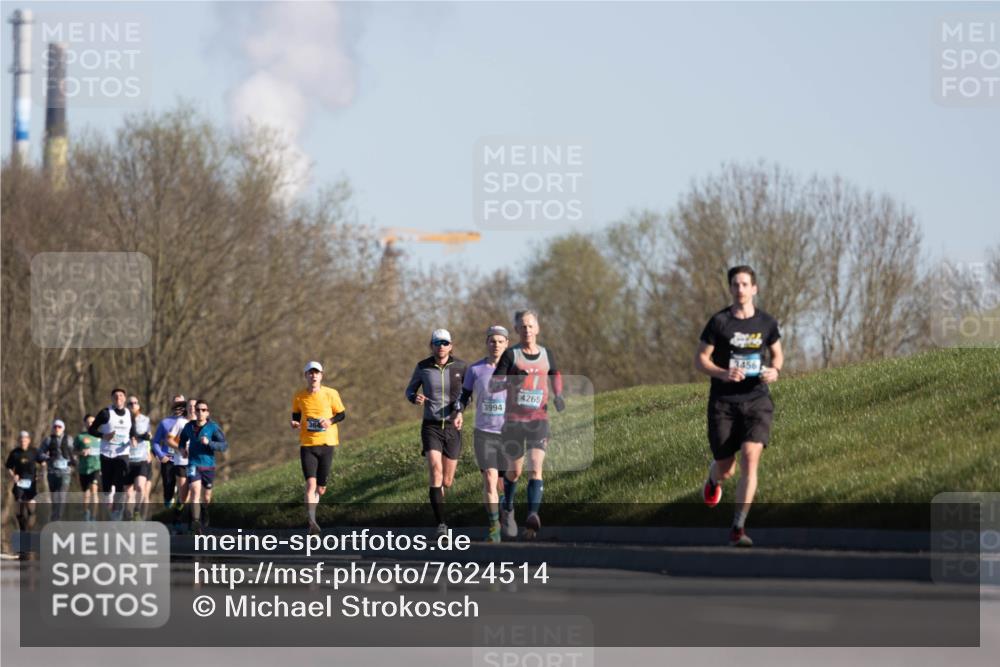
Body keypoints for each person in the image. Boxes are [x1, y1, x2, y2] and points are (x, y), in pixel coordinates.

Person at [695, 265, 783, 547]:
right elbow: (700, 360)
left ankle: (738, 526)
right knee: (726, 466)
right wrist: (722, 373)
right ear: (730, 289)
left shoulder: (767, 323)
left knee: (750, 457)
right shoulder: (719, 322)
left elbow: (777, 354)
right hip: (724, 402)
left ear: (754, 289)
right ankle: (713, 479)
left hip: (757, 399)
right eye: (735, 284)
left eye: (745, 284)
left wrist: (775, 371)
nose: (740, 289)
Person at [490, 310, 565, 539]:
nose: (527, 330)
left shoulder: (546, 354)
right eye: (522, 327)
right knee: (514, 471)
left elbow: (555, 373)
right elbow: (494, 385)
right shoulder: (511, 356)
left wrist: (558, 395)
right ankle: (509, 506)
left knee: (536, 467)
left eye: (531, 326)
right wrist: (514, 380)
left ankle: (532, 515)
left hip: (538, 420)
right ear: (516, 331)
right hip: (514, 422)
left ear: (538, 328)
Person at [405, 329, 468, 536]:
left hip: (452, 427)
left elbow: (467, 395)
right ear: (431, 346)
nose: (441, 346)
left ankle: (441, 510)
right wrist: (415, 398)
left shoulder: (460, 367)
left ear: (451, 345)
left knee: (447, 481)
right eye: (437, 342)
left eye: (445, 342)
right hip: (431, 426)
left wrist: (459, 411)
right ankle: (442, 524)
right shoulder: (423, 367)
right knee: (435, 472)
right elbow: (410, 391)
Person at [457, 325, 510, 543]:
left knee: (504, 481)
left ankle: (506, 507)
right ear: (486, 343)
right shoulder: (475, 369)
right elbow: (464, 395)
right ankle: (494, 526)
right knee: (489, 477)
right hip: (484, 432)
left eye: (500, 341)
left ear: (506, 344)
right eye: (492, 341)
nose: (495, 344)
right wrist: (458, 411)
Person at [290, 361, 346, 534]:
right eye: (310, 373)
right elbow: (296, 415)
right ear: (305, 375)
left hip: (327, 443)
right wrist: (294, 423)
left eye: (317, 373)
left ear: (321, 375)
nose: (313, 376)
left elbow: (342, 414)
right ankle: (312, 521)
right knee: (310, 484)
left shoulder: (331, 393)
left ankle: (313, 514)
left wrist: (329, 421)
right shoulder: (299, 396)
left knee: (321, 488)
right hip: (307, 444)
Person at [179, 399, 228, 535]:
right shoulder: (188, 427)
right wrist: (182, 449)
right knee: (194, 491)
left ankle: (205, 509)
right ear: (194, 412)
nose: (200, 412)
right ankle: (195, 522)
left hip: (208, 466)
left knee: (206, 497)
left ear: (207, 413)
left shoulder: (213, 427)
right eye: (198, 410)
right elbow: (182, 441)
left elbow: (224, 446)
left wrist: (210, 443)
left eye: (203, 410)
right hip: (193, 464)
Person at [89, 388, 138, 520]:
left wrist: (133, 438)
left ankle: (118, 510)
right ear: (112, 398)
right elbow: (91, 430)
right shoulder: (105, 413)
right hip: (107, 454)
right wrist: (104, 436)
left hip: (123, 453)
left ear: (124, 398)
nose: (118, 398)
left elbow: (132, 431)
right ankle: (108, 509)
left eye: (121, 395)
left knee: (120, 483)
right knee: (107, 487)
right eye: (115, 396)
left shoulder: (129, 414)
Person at [151, 395, 190, 510]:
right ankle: (168, 501)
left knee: (184, 487)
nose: (178, 407)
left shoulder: (190, 421)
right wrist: (161, 455)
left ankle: (179, 513)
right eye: (176, 404)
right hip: (169, 458)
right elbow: (155, 442)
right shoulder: (165, 423)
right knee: (168, 486)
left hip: (183, 459)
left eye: (181, 404)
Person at [6, 431, 40, 547]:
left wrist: (41, 473)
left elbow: (43, 461)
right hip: (19, 484)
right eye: (21, 440)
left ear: (29, 440)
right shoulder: (15, 453)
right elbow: (9, 467)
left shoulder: (34, 451)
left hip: (31, 484)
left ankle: (29, 533)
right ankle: (23, 535)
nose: (23, 442)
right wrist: (13, 475)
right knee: (20, 512)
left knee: (31, 510)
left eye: (25, 440)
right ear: (18, 441)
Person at [38, 419, 75, 521]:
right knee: (54, 497)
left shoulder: (69, 439)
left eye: (59, 427)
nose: (57, 429)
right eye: (55, 427)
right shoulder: (48, 440)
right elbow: (40, 453)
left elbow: (74, 452)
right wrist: (48, 458)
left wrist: (73, 461)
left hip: (65, 472)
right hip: (52, 472)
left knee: (62, 496)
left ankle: (58, 518)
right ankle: (54, 518)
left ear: (63, 428)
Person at [124, 396, 153, 521]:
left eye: (135, 403)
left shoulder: (145, 420)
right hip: (126, 458)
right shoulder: (122, 420)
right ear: (127, 406)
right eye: (130, 403)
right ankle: (129, 517)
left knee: (141, 487)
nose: (133, 405)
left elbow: (149, 436)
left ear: (139, 405)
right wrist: (129, 440)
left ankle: (137, 510)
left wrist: (148, 451)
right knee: (128, 493)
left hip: (141, 459)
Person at [74, 415, 101, 521]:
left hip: (96, 467)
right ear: (85, 423)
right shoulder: (80, 437)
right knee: (86, 494)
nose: (91, 424)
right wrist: (81, 452)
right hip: (83, 468)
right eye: (88, 422)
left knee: (94, 490)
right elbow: (73, 451)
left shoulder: (100, 436)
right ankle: (86, 515)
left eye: (93, 422)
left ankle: (94, 518)